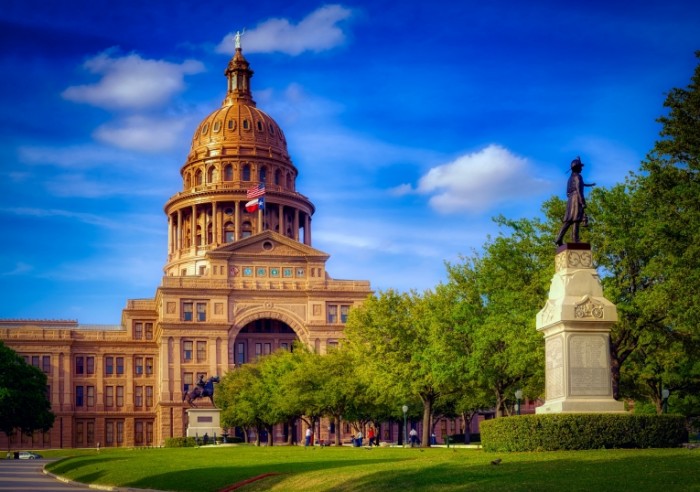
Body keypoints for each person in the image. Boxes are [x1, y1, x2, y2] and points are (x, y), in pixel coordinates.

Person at [555, 156, 596, 246]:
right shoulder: (578, 177)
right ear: (577, 167)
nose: (581, 168)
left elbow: (567, 192)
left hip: (570, 199)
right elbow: (579, 189)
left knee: (569, 220)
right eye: (580, 167)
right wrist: (582, 202)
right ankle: (575, 239)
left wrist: (590, 185)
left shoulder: (570, 179)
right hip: (576, 198)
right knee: (576, 219)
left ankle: (559, 238)